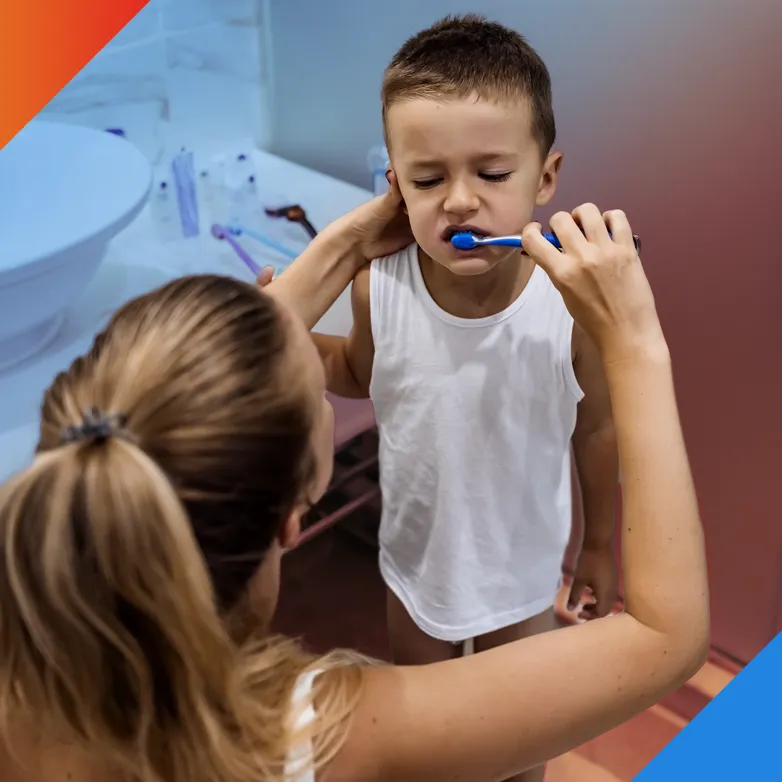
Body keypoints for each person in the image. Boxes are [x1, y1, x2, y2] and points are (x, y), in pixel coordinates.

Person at [0, 164, 708, 781]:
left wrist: (346, 238)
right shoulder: (323, 734)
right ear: (293, 517)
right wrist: (635, 337)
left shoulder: (20, 675)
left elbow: (203, 377)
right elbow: (665, 636)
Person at [311, 19, 619, 780]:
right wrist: (280, 326)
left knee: (523, 748)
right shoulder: (375, 288)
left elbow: (601, 429)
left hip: (522, 577)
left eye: (490, 173)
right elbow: (360, 371)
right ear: (393, 184)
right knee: (431, 753)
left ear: (544, 178)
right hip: (416, 571)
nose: (457, 202)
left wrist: (604, 543)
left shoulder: (569, 304)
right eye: (427, 180)